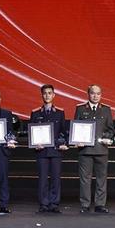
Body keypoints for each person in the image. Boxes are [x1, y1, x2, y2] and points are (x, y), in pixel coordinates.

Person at [75, 84, 114, 214]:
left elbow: (111, 129)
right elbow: (76, 128)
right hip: (85, 150)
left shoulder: (106, 110)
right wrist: (77, 140)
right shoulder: (80, 109)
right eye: (93, 93)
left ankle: (100, 205)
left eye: (98, 93)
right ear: (88, 94)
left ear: (101, 95)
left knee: (101, 179)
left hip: (101, 149)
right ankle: (85, 204)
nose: (95, 96)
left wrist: (106, 137)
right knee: (85, 179)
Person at [29, 84, 68, 213]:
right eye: (45, 93)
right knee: (43, 179)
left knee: (56, 179)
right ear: (42, 95)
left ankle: (54, 204)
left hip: (56, 151)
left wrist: (64, 143)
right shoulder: (35, 113)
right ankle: (44, 204)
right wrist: (35, 144)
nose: (47, 95)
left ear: (54, 95)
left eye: (49, 93)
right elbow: (31, 133)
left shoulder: (60, 113)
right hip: (42, 151)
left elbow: (63, 132)